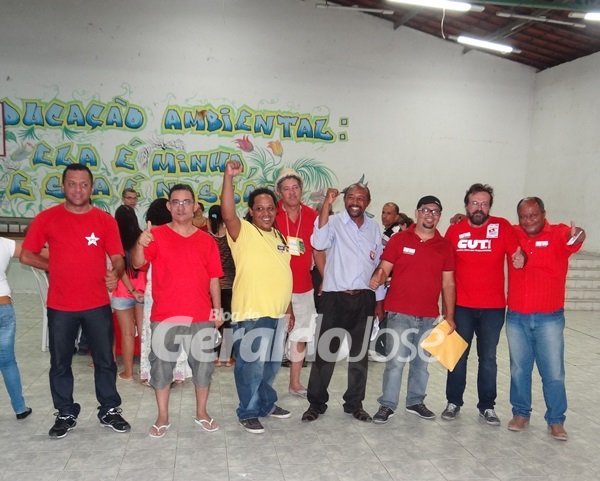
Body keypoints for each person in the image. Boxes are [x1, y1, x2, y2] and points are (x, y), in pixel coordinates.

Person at [20, 163, 131, 439]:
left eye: (83, 184)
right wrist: (55, 266)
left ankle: (109, 409)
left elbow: (118, 257)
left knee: (105, 361)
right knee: (60, 363)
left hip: (97, 304)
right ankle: (65, 412)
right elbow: (26, 255)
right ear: (63, 186)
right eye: (72, 184)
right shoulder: (47, 219)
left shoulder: (105, 221)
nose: (78, 189)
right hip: (61, 306)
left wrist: (115, 273)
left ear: (92, 188)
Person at [132, 184, 223, 437]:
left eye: (186, 202)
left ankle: (202, 412)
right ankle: (162, 416)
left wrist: (217, 310)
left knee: (203, 368)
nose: (181, 207)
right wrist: (140, 242)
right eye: (176, 202)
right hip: (165, 316)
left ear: (195, 206)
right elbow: (138, 263)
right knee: (161, 368)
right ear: (169, 206)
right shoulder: (156, 235)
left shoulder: (206, 240)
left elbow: (214, 278)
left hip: (200, 315)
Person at [441, 183, 525, 425]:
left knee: (488, 358)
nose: (479, 208)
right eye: (475, 203)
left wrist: (520, 257)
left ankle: (487, 406)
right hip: (461, 307)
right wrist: (446, 308)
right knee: (458, 356)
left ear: (490, 207)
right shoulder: (454, 230)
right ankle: (453, 402)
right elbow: (444, 268)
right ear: (466, 206)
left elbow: (517, 252)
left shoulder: (502, 227)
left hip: (493, 308)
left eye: (484, 204)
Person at [302, 184, 385, 423]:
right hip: (335, 298)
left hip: (365, 298)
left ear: (368, 202)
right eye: (350, 197)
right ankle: (316, 404)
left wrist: (379, 301)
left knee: (359, 356)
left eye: (360, 198)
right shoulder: (333, 222)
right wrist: (326, 205)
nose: (355, 202)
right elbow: (318, 242)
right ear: (344, 200)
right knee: (325, 354)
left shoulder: (374, 227)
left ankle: (355, 404)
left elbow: (377, 266)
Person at [221, 160, 293, 434]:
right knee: (251, 367)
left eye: (270, 208)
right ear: (251, 211)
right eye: (259, 208)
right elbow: (228, 213)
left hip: (277, 313)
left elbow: (283, 272)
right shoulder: (243, 231)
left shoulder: (278, 236)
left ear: (276, 210)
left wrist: (288, 309)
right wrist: (229, 177)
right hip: (251, 313)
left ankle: (265, 404)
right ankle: (248, 411)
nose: (265, 213)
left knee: (270, 367)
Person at [369, 196, 456, 423]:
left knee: (421, 364)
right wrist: (378, 277)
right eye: (426, 210)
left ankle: (415, 401)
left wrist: (449, 316)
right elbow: (385, 267)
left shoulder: (445, 246)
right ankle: (387, 404)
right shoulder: (399, 239)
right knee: (395, 363)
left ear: (439, 216)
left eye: (435, 211)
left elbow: (448, 283)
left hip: (428, 316)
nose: (430, 215)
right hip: (399, 312)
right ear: (417, 213)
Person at [506, 197, 585, 441]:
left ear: (543, 213)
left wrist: (578, 234)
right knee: (519, 369)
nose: (528, 220)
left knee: (553, 372)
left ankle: (556, 420)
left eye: (533, 215)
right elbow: (490, 229)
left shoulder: (558, 233)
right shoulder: (513, 233)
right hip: (516, 317)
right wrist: (461, 220)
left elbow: (575, 237)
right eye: (523, 216)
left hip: (549, 318)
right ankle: (521, 413)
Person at [274, 169, 325, 398]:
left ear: (301, 190)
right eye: (286, 189)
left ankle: (295, 383)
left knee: (301, 335)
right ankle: (265, 385)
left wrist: (325, 277)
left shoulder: (312, 215)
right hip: (274, 288)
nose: (292, 192)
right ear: (279, 193)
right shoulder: (270, 213)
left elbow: (318, 250)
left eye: (295, 188)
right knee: (271, 338)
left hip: (303, 286)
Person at [138, 199, 192, 386]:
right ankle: (178, 372)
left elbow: (140, 264)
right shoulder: (177, 233)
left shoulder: (151, 234)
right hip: (177, 287)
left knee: (153, 329)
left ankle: (152, 373)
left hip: (155, 287)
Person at [112, 205, 146, 381]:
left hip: (122, 292)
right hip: (143, 291)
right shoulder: (142, 238)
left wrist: (130, 290)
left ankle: (128, 372)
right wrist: (136, 290)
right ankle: (145, 371)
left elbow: (119, 270)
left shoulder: (114, 241)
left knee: (127, 333)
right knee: (143, 332)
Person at [0, 237, 32, 420]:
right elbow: (30, 254)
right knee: (7, 361)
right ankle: (20, 408)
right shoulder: (4, 243)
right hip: (3, 306)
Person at [208, 204, 235, 367]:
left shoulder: (206, 236)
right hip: (230, 282)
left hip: (212, 285)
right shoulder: (230, 235)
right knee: (229, 320)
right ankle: (227, 357)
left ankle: (215, 356)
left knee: (214, 320)